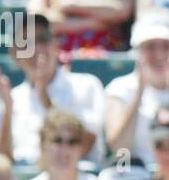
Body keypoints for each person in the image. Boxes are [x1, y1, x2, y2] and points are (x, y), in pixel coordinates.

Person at [104, 11, 169, 163]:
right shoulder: (120, 89)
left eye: (166, 46)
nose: (159, 54)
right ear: (138, 51)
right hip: (139, 176)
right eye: (150, 47)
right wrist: (139, 93)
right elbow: (119, 147)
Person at [10, 13, 104, 165]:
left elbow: (85, 147)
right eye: (26, 43)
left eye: (43, 39)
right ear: (14, 53)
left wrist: (44, 99)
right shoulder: (11, 98)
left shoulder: (87, 85)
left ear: (56, 45)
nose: (37, 48)